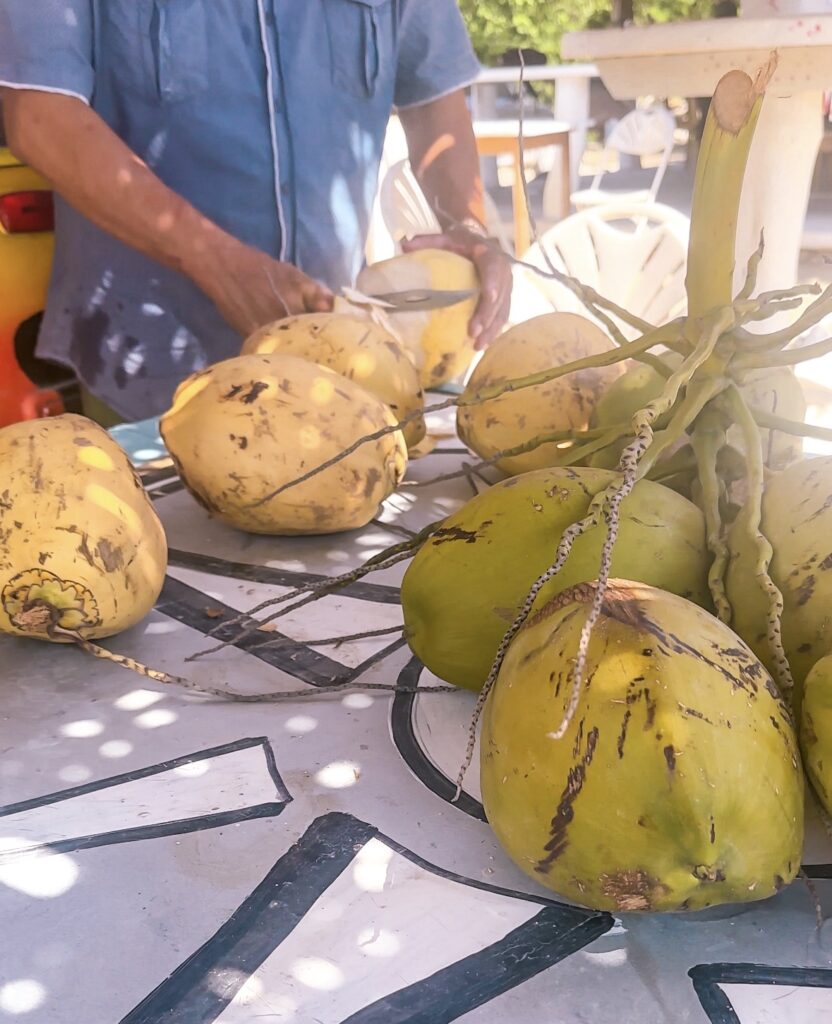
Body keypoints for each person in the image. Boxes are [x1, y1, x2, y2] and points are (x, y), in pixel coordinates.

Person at [0, 1, 512, 424]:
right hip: (146, 370)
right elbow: (39, 116)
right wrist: (214, 260)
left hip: (335, 364)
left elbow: (434, 99)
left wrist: (466, 227)